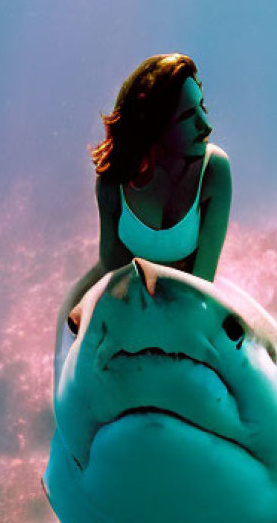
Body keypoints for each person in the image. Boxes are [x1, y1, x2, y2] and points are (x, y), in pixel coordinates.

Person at [59, 53, 232, 336]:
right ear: (155, 127)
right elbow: (112, 265)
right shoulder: (112, 180)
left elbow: (202, 281)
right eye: (189, 116)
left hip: (188, 292)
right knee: (71, 335)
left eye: (203, 107)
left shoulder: (214, 171)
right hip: (118, 286)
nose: (206, 126)